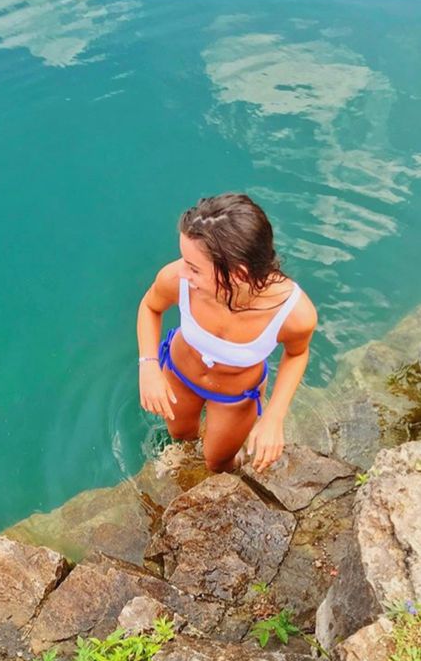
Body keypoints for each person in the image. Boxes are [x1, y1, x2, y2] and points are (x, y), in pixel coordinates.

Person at [136, 193, 317, 474]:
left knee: (218, 463)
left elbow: (297, 354)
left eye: (194, 267)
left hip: (235, 397)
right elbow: (150, 306)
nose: (181, 272)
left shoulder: (293, 313)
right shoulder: (176, 279)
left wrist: (274, 417)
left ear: (239, 275)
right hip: (180, 376)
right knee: (181, 437)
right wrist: (148, 367)